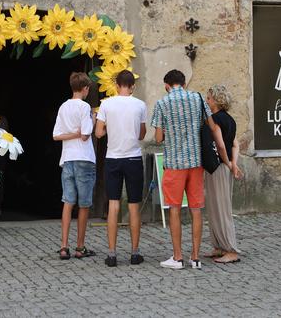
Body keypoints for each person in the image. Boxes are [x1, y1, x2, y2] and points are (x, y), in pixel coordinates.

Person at [151, 69, 211, 270]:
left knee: (174, 209)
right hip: (196, 162)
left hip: (175, 164)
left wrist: (170, 130)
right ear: (184, 83)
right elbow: (208, 124)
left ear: (167, 86)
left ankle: (177, 257)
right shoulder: (198, 98)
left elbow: (158, 138)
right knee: (196, 210)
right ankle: (195, 257)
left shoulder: (162, 103)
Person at [95, 70, 147, 267]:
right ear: (132, 86)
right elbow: (142, 134)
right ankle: (135, 253)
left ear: (117, 85)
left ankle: (112, 254)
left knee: (113, 205)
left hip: (113, 158)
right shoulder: (140, 104)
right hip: (133, 157)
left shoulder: (106, 104)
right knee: (134, 205)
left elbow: (99, 133)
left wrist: (110, 127)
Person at [52, 72, 97, 260]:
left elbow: (56, 135)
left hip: (68, 158)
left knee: (68, 202)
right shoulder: (85, 107)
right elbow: (86, 134)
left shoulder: (63, 106)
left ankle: (64, 246)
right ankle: (80, 246)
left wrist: (72, 134)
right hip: (84, 158)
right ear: (85, 88)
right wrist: (94, 118)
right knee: (84, 204)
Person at [204, 84, 244, 264]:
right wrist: (234, 164)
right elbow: (235, 145)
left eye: (210, 98)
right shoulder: (230, 120)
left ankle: (231, 249)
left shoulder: (215, 119)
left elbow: (221, 145)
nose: (207, 100)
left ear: (217, 100)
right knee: (215, 207)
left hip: (218, 167)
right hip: (224, 167)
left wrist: (228, 164)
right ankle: (219, 246)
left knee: (221, 209)